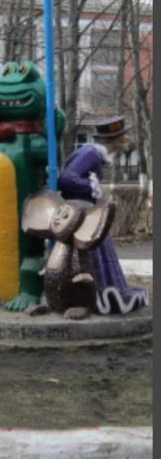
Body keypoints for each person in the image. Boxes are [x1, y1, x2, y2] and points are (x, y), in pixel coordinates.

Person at [56, 116, 149, 314]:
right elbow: (66, 179)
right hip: (83, 214)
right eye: (123, 135)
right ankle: (98, 294)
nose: (126, 138)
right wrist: (91, 188)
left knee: (100, 249)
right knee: (97, 248)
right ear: (115, 139)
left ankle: (101, 292)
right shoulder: (91, 154)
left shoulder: (93, 154)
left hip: (87, 213)